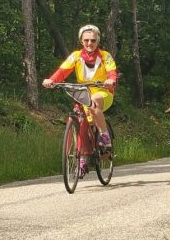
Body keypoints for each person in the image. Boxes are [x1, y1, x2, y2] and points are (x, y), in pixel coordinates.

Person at [42, 24, 118, 176]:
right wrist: (51, 80)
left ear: (98, 41)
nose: (90, 43)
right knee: (79, 120)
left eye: (93, 40)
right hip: (82, 92)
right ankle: (82, 158)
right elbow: (62, 71)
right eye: (86, 40)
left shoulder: (105, 56)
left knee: (94, 102)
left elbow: (112, 72)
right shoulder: (76, 56)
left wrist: (111, 80)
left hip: (102, 92)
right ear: (81, 41)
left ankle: (104, 135)